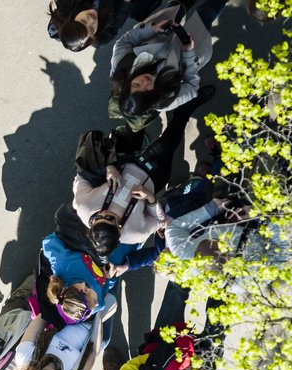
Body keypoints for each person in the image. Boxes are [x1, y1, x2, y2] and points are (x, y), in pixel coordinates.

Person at [74, 86, 212, 264]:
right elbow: (160, 220)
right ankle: (187, 107)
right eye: (111, 219)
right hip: (153, 176)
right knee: (170, 140)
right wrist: (151, 199)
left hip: (123, 159)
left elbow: (83, 176)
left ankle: (154, 91)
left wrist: (109, 166)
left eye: (98, 217)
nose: (105, 213)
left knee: (136, 124)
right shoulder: (135, 234)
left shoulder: (83, 206)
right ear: (120, 229)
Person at [109, 2, 225, 131]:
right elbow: (192, 87)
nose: (145, 82)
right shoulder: (165, 101)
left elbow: (124, 42)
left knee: (179, 5)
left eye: (136, 85)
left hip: (161, 28)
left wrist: (150, 30)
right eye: (147, 91)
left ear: (127, 85)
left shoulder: (122, 68)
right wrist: (188, 53)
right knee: (206, 13)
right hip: (188, 47)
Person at [47, 0, 161, 52]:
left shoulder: (69, 3)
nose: (91, 20)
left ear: (72, 19)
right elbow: (120, 18)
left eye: (83, 21)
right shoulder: (101, 39)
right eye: (92, 29)